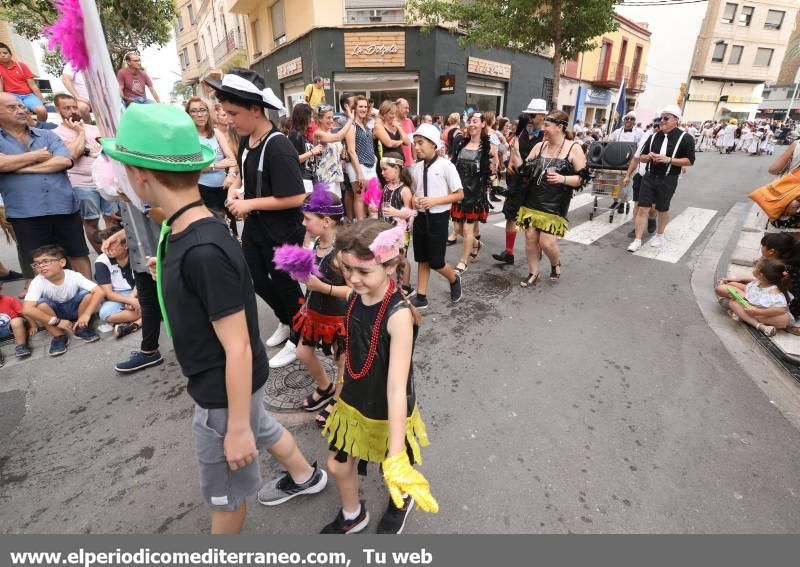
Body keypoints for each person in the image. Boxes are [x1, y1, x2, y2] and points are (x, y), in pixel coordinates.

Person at [99, 103, 327, 534]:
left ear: (141, 176)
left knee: (226, 497)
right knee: (263, 424)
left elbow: (238, 344)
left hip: (222, 392)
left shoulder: (202, 248)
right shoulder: (193, 231)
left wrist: (235, 428)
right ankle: (306, 476)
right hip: (235, 384)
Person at [322, 219, 438, 534]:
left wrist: (397, 454)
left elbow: (397, 386)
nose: (353, 279)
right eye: (347, 269)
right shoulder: (353, 296)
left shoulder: (399, 315)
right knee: (336, 464)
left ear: (389, 267)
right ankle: (352, 514)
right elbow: (347, 352)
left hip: (388, 407)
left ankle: (400, 498)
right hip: (353, 400)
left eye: (363, 272)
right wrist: (337, 394)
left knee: (391, 470)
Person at [208, 68, 307, 369]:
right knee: (254, 278)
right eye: (225, 113)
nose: (228, 120)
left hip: (283, 232)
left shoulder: (278, 145)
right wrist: (235, 188)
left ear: (255, 108)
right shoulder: (247, 140)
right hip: (256, 228)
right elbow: (241, 174)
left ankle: (301, 337)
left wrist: (248, 203)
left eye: (233, 113)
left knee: (286, 285)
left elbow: (296, 197)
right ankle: (287, 321)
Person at [0, 93, 92, 280]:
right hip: (26, 213)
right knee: (40, 261)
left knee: (77, 254)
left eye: (21, 106)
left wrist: (18, 168)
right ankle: (50, 305)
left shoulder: (47, 135)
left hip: (64, 206)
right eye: (12, 107)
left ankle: (91, 299)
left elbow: (64, 161)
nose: (21, 111)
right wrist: (35, 156)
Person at [510, 110, 587, 287]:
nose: (543, 128)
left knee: (546, 242)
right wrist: (515, 154)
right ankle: (533, 273)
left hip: (555, 203)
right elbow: (525, 171)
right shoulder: (539, 146)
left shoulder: (573, 148)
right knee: (530, 237)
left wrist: (563, 179)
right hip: (532, 200)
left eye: (547, 125)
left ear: (559, 127)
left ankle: (555, 263)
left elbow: (582, 178)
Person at [293, 190, 349, 427]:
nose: (303, 223)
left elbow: (353, 291)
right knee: (302, 353)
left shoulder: (344, 252)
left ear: (326, 222)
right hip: (315, 313)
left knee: (342, 362)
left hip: (339, 317)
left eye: (308, 219)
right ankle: (325, 387)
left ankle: (338, 399)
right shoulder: (316, 241)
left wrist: (321, 286)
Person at [53, 93, 119, 254]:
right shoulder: (56, 134)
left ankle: (116, 253)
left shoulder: (95, 129)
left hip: (105, 181)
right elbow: (73, 154)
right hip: (81, 185)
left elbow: (106, 151)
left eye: (74, 107)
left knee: (113, 218)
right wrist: (80, 133)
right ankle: (104, 256)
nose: (72, 111)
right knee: (91, 221)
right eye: (66, 108)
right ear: (58, 110)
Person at [409, 124, 464, 309]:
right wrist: (415, 201)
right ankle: (421, 296)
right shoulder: (416, 168)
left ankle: (454, 278)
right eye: (415, 143)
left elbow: (459, 194)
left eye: (420, 143)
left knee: (437, 262)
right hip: (420, 218)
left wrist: (435, 201)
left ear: (433, 144)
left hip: (438, 219)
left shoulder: (446, 165)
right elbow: (416, 193)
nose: (416, 147)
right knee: (422, 258)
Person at [626, 105, 695, 252]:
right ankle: (637, 239)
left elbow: (690, 160)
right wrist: (648, 156)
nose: (661, 121)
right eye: (660, 118)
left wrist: (669, 160)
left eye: (666, 118)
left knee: (662, 208)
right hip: (649, 177)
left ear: (676, 120)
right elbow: (642, 158)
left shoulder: (686, 138)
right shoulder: (653, 136)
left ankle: (660, 234)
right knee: (642, 208)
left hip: (668, 178)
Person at [492, 98, 547, 265]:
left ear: (542, 116)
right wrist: (509, 164)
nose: (529, 117)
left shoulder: (547, 136)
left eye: (532, 114)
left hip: (534, 182)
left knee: (533, 220)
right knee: (511, 215)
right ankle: (509, 252)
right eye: (528, 114)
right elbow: (513, 150)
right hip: (517, 181)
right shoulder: (522, 131)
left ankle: (537, 251)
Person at [22, 245, 104, 356]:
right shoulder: (38, 282)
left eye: (46, 261)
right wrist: (57, 321)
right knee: (40, 305)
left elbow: (99, 291)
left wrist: (86, 314)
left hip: (76, 309)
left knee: (88, 295)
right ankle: (59, 336)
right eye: (37, 264)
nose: (41, 266)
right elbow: (27, 309)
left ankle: (81, 327)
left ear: (62, 262)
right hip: (55, 315)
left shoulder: (74, 276)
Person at [450, 113, 495, 273]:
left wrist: (488, 184)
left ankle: (463, 261)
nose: (471, 124)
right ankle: (475, 244)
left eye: (475, 121)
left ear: (483, 124)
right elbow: (453, 166)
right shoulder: (461, 144)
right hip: (459, 192)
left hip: (475, 194)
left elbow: (492, 171)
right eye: (469, 121)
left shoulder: (488, 148)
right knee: (457, 227)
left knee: (468, 230)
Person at [186, 96, 238, 222]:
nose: (199, 114)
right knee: (214, 227)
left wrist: (231, 174)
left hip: (224, 189)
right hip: (202, 190)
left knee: (231, 229)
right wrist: (216, 165)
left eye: (202, 110)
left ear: (208, 112)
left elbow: (232, 160)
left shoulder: (216, 133)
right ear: (188, 114)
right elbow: (191, 168)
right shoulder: (188, 136)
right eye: (194, 111)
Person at [715, 257, 792, 337]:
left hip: (759, 312)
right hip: (749, 303)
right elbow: (747, 284)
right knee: (723, 288)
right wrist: (731, 282)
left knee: (733, 303)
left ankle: (760, 326)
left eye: (755, 268)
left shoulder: (774, 292)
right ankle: (741, 314)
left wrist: (758, 312)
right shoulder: (759, 281)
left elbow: (781, 309)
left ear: (760, 274)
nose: (753, 269)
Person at [376, 151, 415, 296]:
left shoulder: (404, 190)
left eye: (385, 169)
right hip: (386, 229)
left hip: (400, 232)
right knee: (390, 257)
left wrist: (396, 213)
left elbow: (411, 213)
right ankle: (393, 284)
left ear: (397, 169)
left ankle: (406, 287)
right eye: (382, 169)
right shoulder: (386, 187)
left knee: (401, 259)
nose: (382, 172)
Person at [94, 227, 141, 338]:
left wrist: (133, 297)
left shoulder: (136, 254)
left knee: (153, 301)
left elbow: (142, 281)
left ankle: (135, 323)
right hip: (117, 295)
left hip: (140, 289)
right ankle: (144, 317)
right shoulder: (101, 261)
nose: (106, 249)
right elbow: (109, 293)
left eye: (110, 245)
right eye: (104, 245)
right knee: (105, 314)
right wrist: (130, 301)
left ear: (125, 246)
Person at [622, 115, 661, 238]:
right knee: (638, 205)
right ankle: (636, 227)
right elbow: (636, 158)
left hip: (657, 177)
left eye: (659, 125)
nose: (657, 128)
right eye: (655, 125)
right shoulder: (646, 137)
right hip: (641, 175)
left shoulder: (668, 139)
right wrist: (627, 175)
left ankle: (651, 218)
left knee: (653, 207)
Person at [345, 96, 378, 220]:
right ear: (355, 108)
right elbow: (351, 151)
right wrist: (359, 173)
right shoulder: (352, 126)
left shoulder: (365, 125)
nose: (363, 109)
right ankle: (360, 226)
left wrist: (373, 156)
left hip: (370, 164)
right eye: (360, 106)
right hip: (357, 165)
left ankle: (368, 225)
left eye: (365, 106)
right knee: (359, 196)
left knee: (371, 196)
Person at [313, 103, 354, 198]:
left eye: (332, 117)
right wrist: (350, 119)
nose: (331, 120)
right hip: (325, 179)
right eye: (328, 118)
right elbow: (338, 136)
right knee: (327, 210)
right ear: (319, 119)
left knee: (335, 210)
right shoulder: (318, 134)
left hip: (334, 178)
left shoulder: (328, 132)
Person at [0, 43, 47, 122]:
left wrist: (42, 100)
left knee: (42, 111)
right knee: (24, 114)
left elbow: (33, 86)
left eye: (5, 53)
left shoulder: (21, 66)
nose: (2, 55)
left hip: (28, 95)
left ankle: (40, 128)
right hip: (12, 97)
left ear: (10, 54)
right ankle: (30, 130)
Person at [287, 103, 323, 193]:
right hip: (302, 179)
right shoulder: (295, 135)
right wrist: (312, 152)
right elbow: (294, 159)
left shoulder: (302, 135)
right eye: (309, 117)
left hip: (309, 178)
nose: (312, 120)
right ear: (303, 117)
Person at [0, 282, 34, 362]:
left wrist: (33, 325)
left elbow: (25, 312)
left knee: (16, 321)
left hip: (12, 327)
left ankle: (21, 346)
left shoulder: (8, 299)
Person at [396, 98, 416, 167]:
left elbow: (413, 142)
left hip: (410, 163)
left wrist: (415, 160)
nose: (408, 111)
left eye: (408, 108)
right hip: (397, 163)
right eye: (405, 108)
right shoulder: (391, 122)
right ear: (397, 108)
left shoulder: (409, 121)